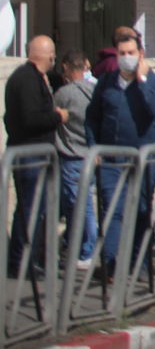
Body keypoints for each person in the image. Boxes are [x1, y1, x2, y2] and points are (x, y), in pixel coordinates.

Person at [86, 28, 155, 277]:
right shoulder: (106, 82)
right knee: (113, 209)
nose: (126, 57)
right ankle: (110, 264)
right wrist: (94, 147)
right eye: (121, 53)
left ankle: (139, 264)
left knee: (142, 210)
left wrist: (142, 80)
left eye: (130, 52)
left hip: (143, 160)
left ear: (140, 54)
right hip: (112, 160)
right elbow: (92, 117)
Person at [4, 35, 67, 276]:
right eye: (53, 54)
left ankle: (29, 259)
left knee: (33, 209)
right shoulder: (27, 79)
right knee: (30, 209)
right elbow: (30, 119)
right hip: (31, 155)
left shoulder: (27, 77)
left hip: (32, 154)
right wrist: (58, 116)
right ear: (49, 55)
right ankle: (22, 262)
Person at [53, 51, 97, 271]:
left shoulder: (64, 94)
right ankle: (76, 246)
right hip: (91, 155)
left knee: (78, 206)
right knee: (84, 203)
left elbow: (54, 118)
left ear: (66, 68)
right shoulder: (95, 90)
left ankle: (85, 250)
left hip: (71, 155)